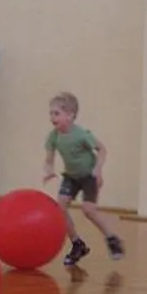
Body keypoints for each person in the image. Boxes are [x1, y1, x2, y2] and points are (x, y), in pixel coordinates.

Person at [43, 92, 124, 277]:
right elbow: (49, 158)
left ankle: (112, 239)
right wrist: (48, 169)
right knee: (60, 205)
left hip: (88, 177)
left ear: (70, 115)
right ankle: (77, 244)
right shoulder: (53, 137)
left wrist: (98, 169)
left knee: (89, 210)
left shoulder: (81, 135)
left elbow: (102, 150)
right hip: (71, 177)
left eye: (56, 113)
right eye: (51, 114)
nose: (52, 118)